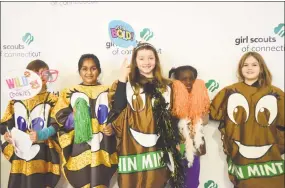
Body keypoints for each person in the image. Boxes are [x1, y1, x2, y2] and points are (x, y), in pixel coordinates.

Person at [108, 42, 184, 188]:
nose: (146, 62)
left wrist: (176, 142)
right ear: (135, 62)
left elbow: (172, 116)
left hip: (161, 147)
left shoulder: (167, 86)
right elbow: (118, 108)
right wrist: (123, 78)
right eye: (141, 58)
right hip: (133, 148)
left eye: (150, 58)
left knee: (161, 180)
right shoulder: (128, 83)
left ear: (156, 60)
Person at [210, 52, 284, 188]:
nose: (250, 68)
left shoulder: (276, 93)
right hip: (241, 153)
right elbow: (213, 114)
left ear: (261, 68)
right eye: (246, 65)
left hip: (270, 154)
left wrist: (279, 146)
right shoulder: (229, 91)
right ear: (240, 68)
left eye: (254, 64)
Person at [52, 54, 118, 188]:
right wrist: (73, 117)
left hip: (103, 147)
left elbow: (119, 115)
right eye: (84, 69)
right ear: (79, 71)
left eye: (93, 68)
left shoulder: (109, 91)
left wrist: (113, 127)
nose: (89, 72)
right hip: (80, 147)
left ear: (98, 70)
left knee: (100, 181)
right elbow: (59, 119)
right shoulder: (69, 92)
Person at [1, 59, 60, 188]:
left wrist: (43, 134)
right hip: (20, 155)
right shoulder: (16, 99)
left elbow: (59, 123)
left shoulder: (53, 99)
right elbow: (6, 123)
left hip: (43, 153)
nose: (40, 77)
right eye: (35, 74)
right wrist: (7, 134)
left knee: (39, 182)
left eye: (44, 73)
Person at [169, 65, 210, 188]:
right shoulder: (170, 98)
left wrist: (196, 115)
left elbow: (205, 120)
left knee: (192, 182)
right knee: (175, 181)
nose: (188, 82)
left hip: (194, 147)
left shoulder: (200, 98)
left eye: (191, 79)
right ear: (176, 81)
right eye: (183, 79)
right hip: (175, 147)